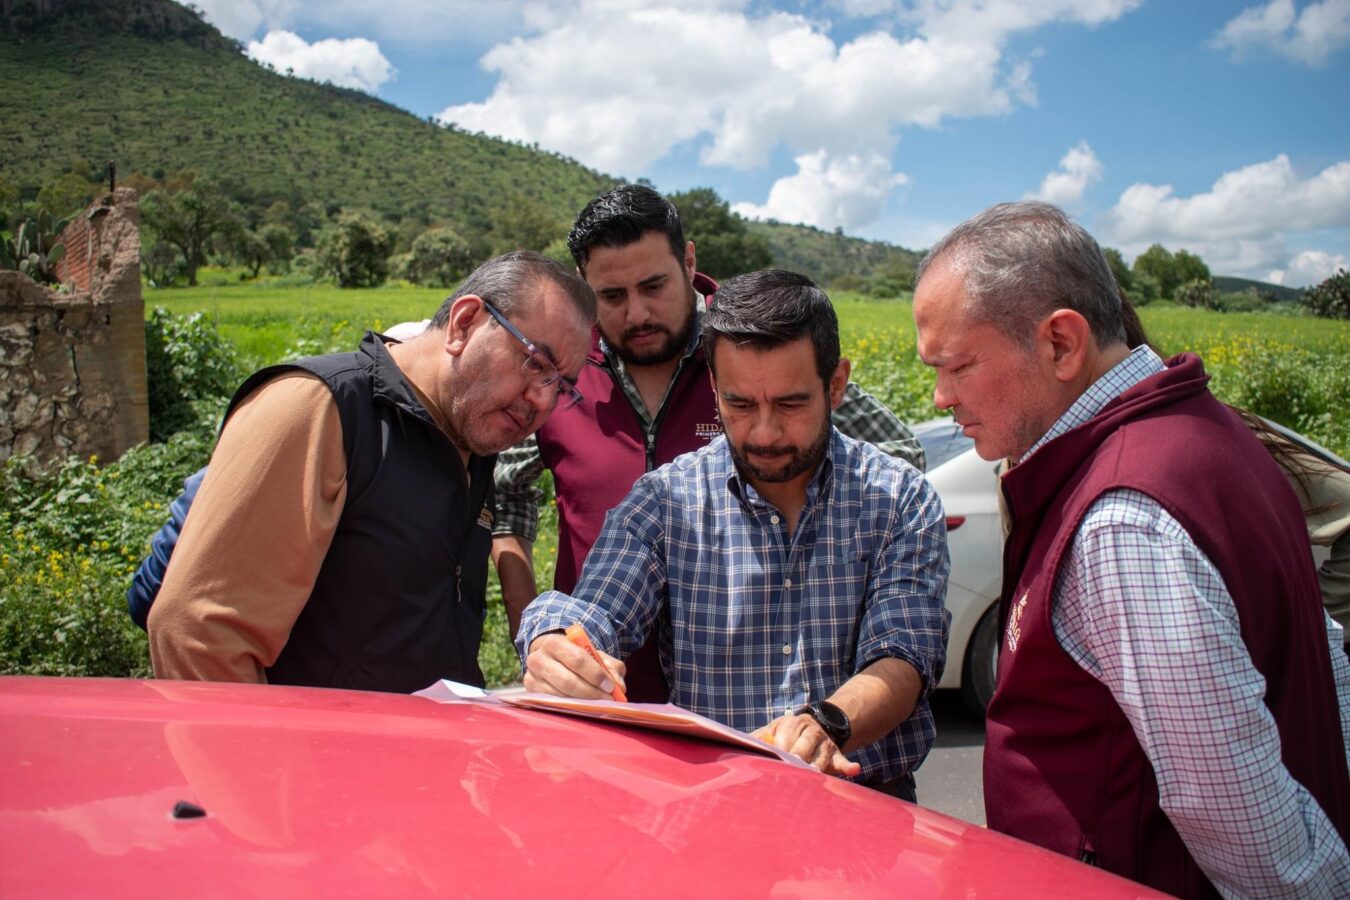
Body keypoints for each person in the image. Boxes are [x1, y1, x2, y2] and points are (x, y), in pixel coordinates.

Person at [912, 200, 1350, 897]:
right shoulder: (1212, 433)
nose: (939, 397)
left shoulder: (1123, 520)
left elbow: (1239, 818)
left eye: (957, 366)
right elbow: (1325, 666)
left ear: (1061, 343)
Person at [517, 270, 949, 800]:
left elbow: (904, 654)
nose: (764, 433)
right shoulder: (665, 501)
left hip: (867, 802)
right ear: (716, 389)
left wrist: (827, 724)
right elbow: (596, 611)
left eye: (790, 404)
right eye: (740, 406)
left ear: (836, 385)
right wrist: (556, 644)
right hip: (714, 803)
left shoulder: (899, 498)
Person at [493, 184, 924, 701]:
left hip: (739, 695)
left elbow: (895, 460)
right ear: (585, 287)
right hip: (599, 688)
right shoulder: (559, 369)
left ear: (688, 260)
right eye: (611, 296)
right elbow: (505, 493)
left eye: (654, 286)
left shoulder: (749, 344)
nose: (637, 314)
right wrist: (538, 635)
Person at [148, 251, 596, 692]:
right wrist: (269, 765)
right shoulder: (319, 407)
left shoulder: (474, 438)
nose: (543, 400)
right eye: (535, 362)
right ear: (464, 323)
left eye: (561, 387)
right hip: (317, 760)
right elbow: (201, 636)